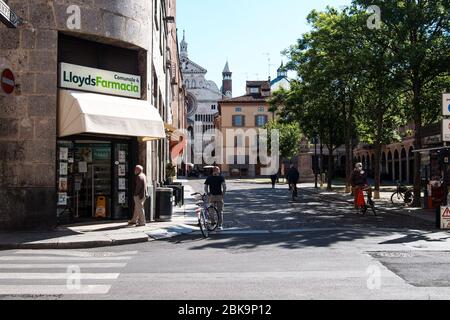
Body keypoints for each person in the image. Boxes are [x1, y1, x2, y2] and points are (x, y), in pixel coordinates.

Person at [204, 166, 227, 231]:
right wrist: (223, 195)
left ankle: (213, 223)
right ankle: (219, 225)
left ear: (213, 171)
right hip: (219, 196)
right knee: (220, 211)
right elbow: (224, 187)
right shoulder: (221, 177)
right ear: (218, 171)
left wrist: (207, 193)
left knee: (211, 210)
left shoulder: (209, 177)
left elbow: (205, 187)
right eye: (218, 170)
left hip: (211, 196)